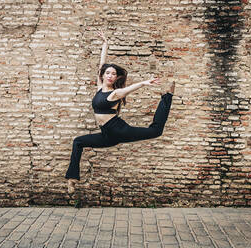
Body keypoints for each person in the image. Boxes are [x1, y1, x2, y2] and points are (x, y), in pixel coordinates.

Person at [65, 30, 175, 194]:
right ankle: (72, 179)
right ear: (103, 75)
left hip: (119, 130)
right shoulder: (99, 88)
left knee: (156, 131)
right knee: (78, 142)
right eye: (108, 73)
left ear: (116, 78)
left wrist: (144, 82)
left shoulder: (115, 93)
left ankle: (167, 96)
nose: (110, 75)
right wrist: (105, 44)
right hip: (107, 136)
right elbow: (101, 65)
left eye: (114, 74)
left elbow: (129, 89)